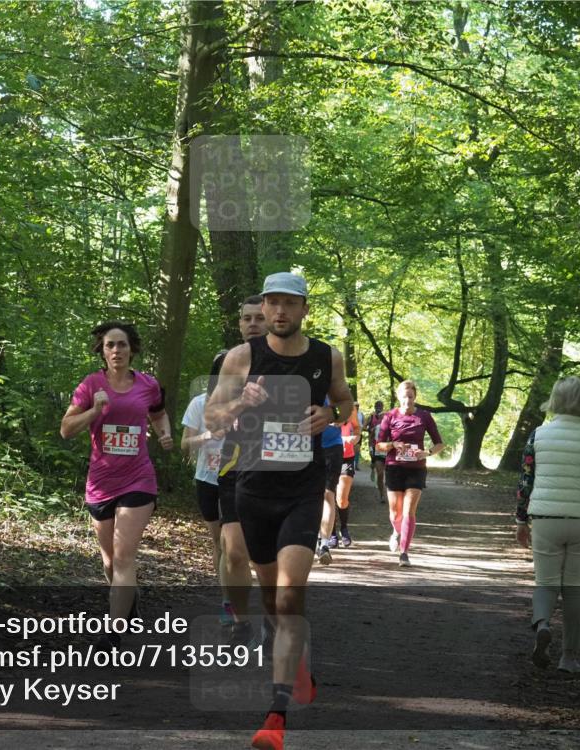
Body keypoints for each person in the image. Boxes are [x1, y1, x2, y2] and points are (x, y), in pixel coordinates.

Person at [206, 272, 352, 750]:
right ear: (264, 309)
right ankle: (297, 661)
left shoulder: (325, 356)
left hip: (302, 492)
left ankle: (276, 715)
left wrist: (330, 415)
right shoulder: (241, 357)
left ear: (305, 309)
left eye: (290, 304)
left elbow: (346, 404)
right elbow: (211, 415)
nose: (280, 312)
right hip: (252, 489)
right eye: (273, 304)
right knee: (272, 600)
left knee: (289, 598)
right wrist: (235, 407)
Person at [60, 322, 174, 650]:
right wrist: (94, 411)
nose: (116, 351)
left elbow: (158, 414)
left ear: (132, 349)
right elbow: (66, 430)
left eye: (122, 345)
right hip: (100, 481)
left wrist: (164, 432)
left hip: (138, 479)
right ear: (102, 350)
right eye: (110, 345)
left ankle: (111, 633)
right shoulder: (91, 384)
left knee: (124, 557)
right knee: (109, 561)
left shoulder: (148, 385)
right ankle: (128, 602)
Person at [515, 376, 580, 674]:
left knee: (545, 582)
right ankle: (569, 658)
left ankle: (544, 624)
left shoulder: (538, 435)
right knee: (573, 589)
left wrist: (521, 519)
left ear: (555, 400)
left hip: (546, 519)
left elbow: (526, 480)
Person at [209, 296, 271, 646]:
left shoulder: (294, 360)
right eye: (246, 319)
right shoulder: (228, 361)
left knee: (270, 553)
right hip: (235, 464)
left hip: (280, 469)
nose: (252, 324)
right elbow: (213, 416)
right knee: (234, 550)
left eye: (257, 319)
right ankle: (239, 618)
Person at [375, 380, 444, 566]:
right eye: (404, 397)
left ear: (415, 397)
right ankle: (397, 531)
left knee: (408, 511)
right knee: (395, 512)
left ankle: (404, 552)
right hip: (394, 467)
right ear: (399, 397)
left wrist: (427, 452)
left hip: (416, 469)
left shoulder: (424, 417)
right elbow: (379, 445)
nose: (407, 400)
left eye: (411, 397)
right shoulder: (390, 416)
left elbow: (439, 443)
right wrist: (393, 445)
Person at [180, 367, 227, 621]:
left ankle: (233, 597)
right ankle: (226, 599)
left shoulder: (250, 403)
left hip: (240, 479)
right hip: (207, 478)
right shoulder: (199, 404)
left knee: (235, 542)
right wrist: (207, 435)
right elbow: (184, 444)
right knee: (219, 540)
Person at [317, 398, 344, 562]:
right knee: (309, 495)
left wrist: (340, 417)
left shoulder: (336, 390)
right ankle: (311, 540)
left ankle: (325, 544)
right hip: (305, 446)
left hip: (332, 447)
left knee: (328, 494)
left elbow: (346, 413)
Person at [328, 411, 360, 548]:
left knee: (341, 498)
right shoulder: (324, 404)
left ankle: (344, 529)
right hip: (329, 455)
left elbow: (357, 429)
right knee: (329, 496)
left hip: (346, 457)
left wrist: (355, 438)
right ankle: (332, 533)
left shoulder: (349, 408)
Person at [366, 400, 386, 499]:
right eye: (382, 417)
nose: (383, 419)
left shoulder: (392, 426)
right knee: (380, 473)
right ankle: (382, 494)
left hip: (389, 451)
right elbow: (366, 432)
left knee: (389, 474)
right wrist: (370, 448)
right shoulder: (372, 419)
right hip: (377, 448)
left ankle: (390, 490)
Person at [353, 401, 365, 472]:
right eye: (355, 405)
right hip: (351, 434)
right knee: (351, 450)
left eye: (358, 405)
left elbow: (364, 424)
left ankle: (356, 465)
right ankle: (351, 463)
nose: (357, 407)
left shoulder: (361, 414)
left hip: (359, 434)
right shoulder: (349, 414)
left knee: (357, 450)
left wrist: (362, 428)